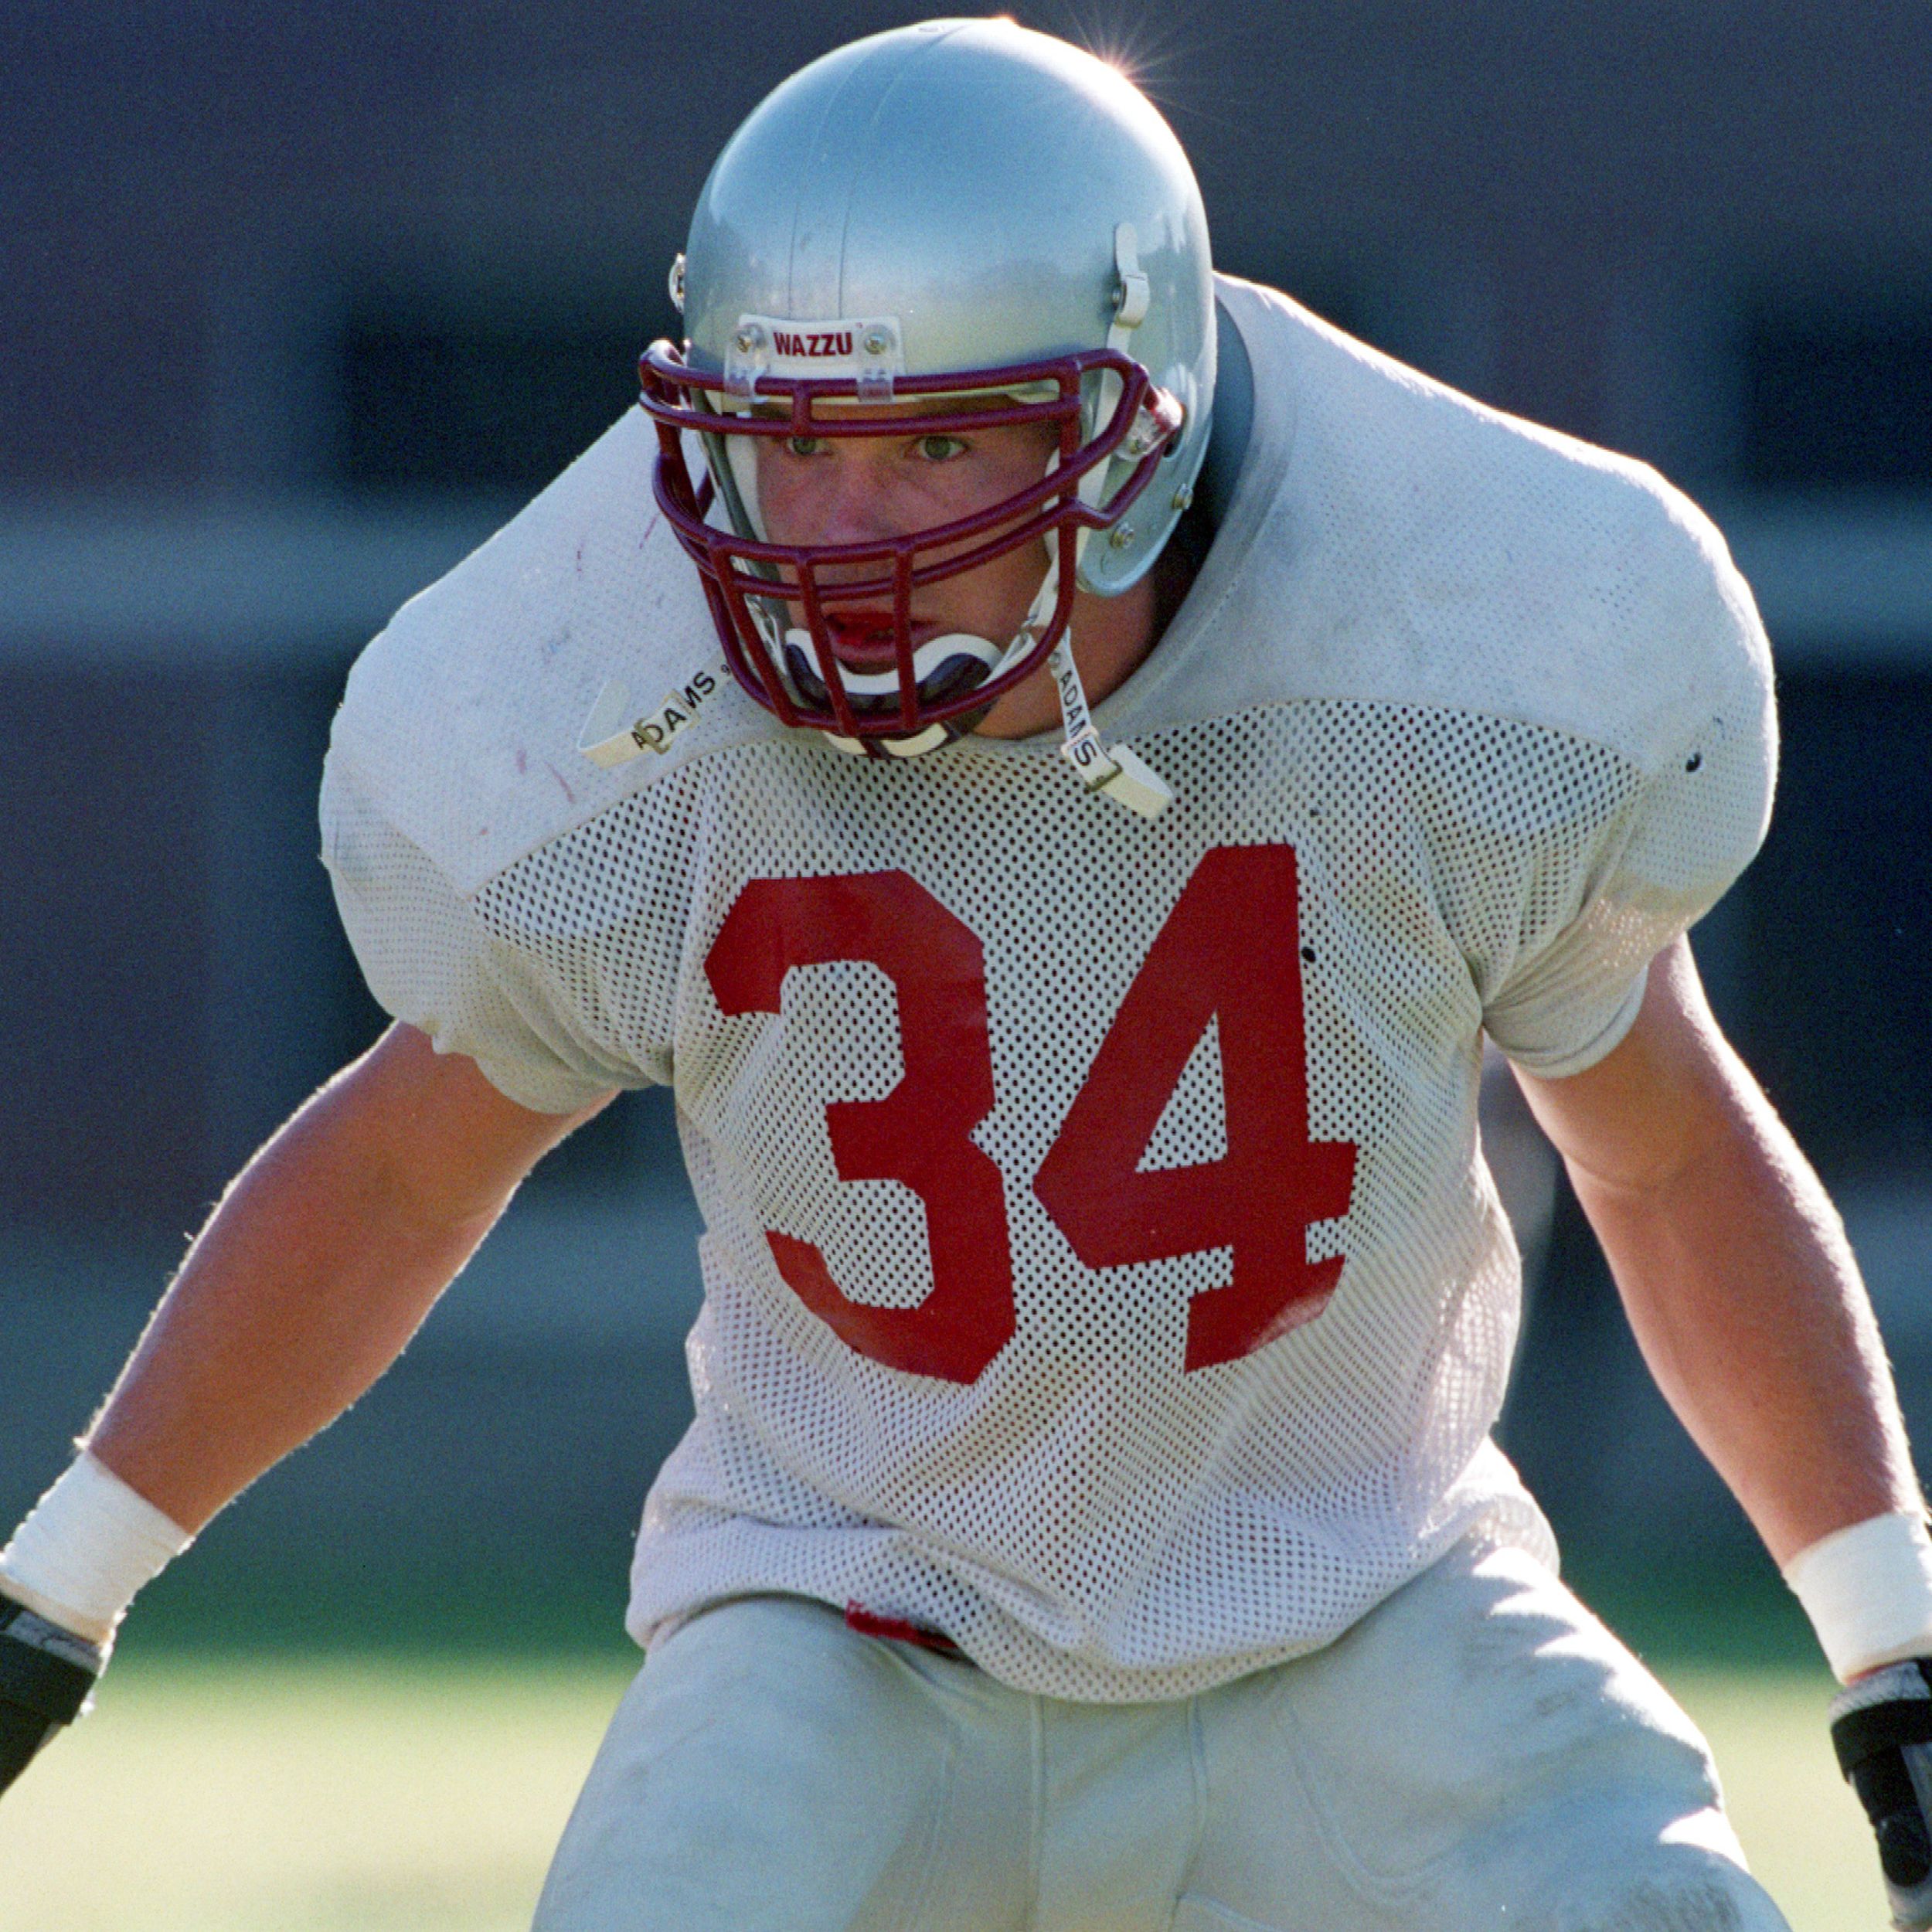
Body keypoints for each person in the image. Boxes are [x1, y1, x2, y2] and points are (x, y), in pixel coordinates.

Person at [4, 19, 1930, 1929]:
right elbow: (401, 1162)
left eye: (930, 444)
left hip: (1359, 1599)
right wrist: (55, 1590)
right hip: (847, 1620)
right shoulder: (615, 721)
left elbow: (1659, 1151)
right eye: (793, 447)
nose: (835, 537)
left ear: (1131, 427)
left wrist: (1890, 1634)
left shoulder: (1459, 643)